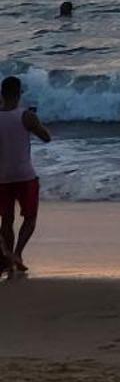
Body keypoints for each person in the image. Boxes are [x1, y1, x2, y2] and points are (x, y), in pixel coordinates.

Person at [0, 75, 52, 275]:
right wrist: (35, 122)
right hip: (25, 175)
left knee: (6, 220)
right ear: (19, 93)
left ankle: (9, 258)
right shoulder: (26, 116)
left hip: (2, 177)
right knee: (30, 218)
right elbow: (46, 138)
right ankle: (18, 253)